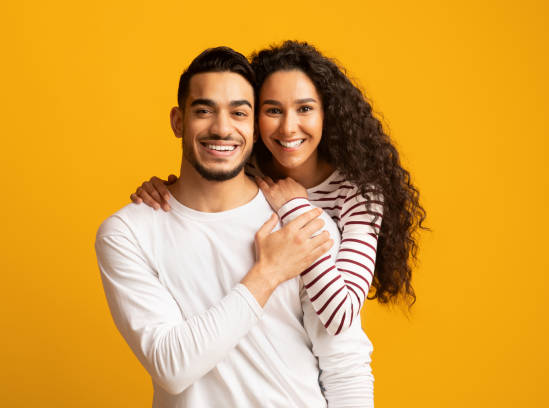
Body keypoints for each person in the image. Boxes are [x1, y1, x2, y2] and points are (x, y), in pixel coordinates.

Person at [96, 46, 375, 407]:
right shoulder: (127, 233)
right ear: (178, 121)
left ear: (255, 128)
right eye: (204, 111)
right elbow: (171, 366)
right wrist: (268, 272)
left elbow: (345, 367)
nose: (222, 128)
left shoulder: (303, 223)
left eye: (238, 113)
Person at [131, 41, 427, 335]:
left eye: (305, 109)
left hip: (322, 362)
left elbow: (341, 315)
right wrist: (165, 191)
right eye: (273, 110)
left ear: (327, 114)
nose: (288, 127)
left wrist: (296, 208)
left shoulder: (357, 194)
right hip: (256, 339)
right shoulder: (245, 167)